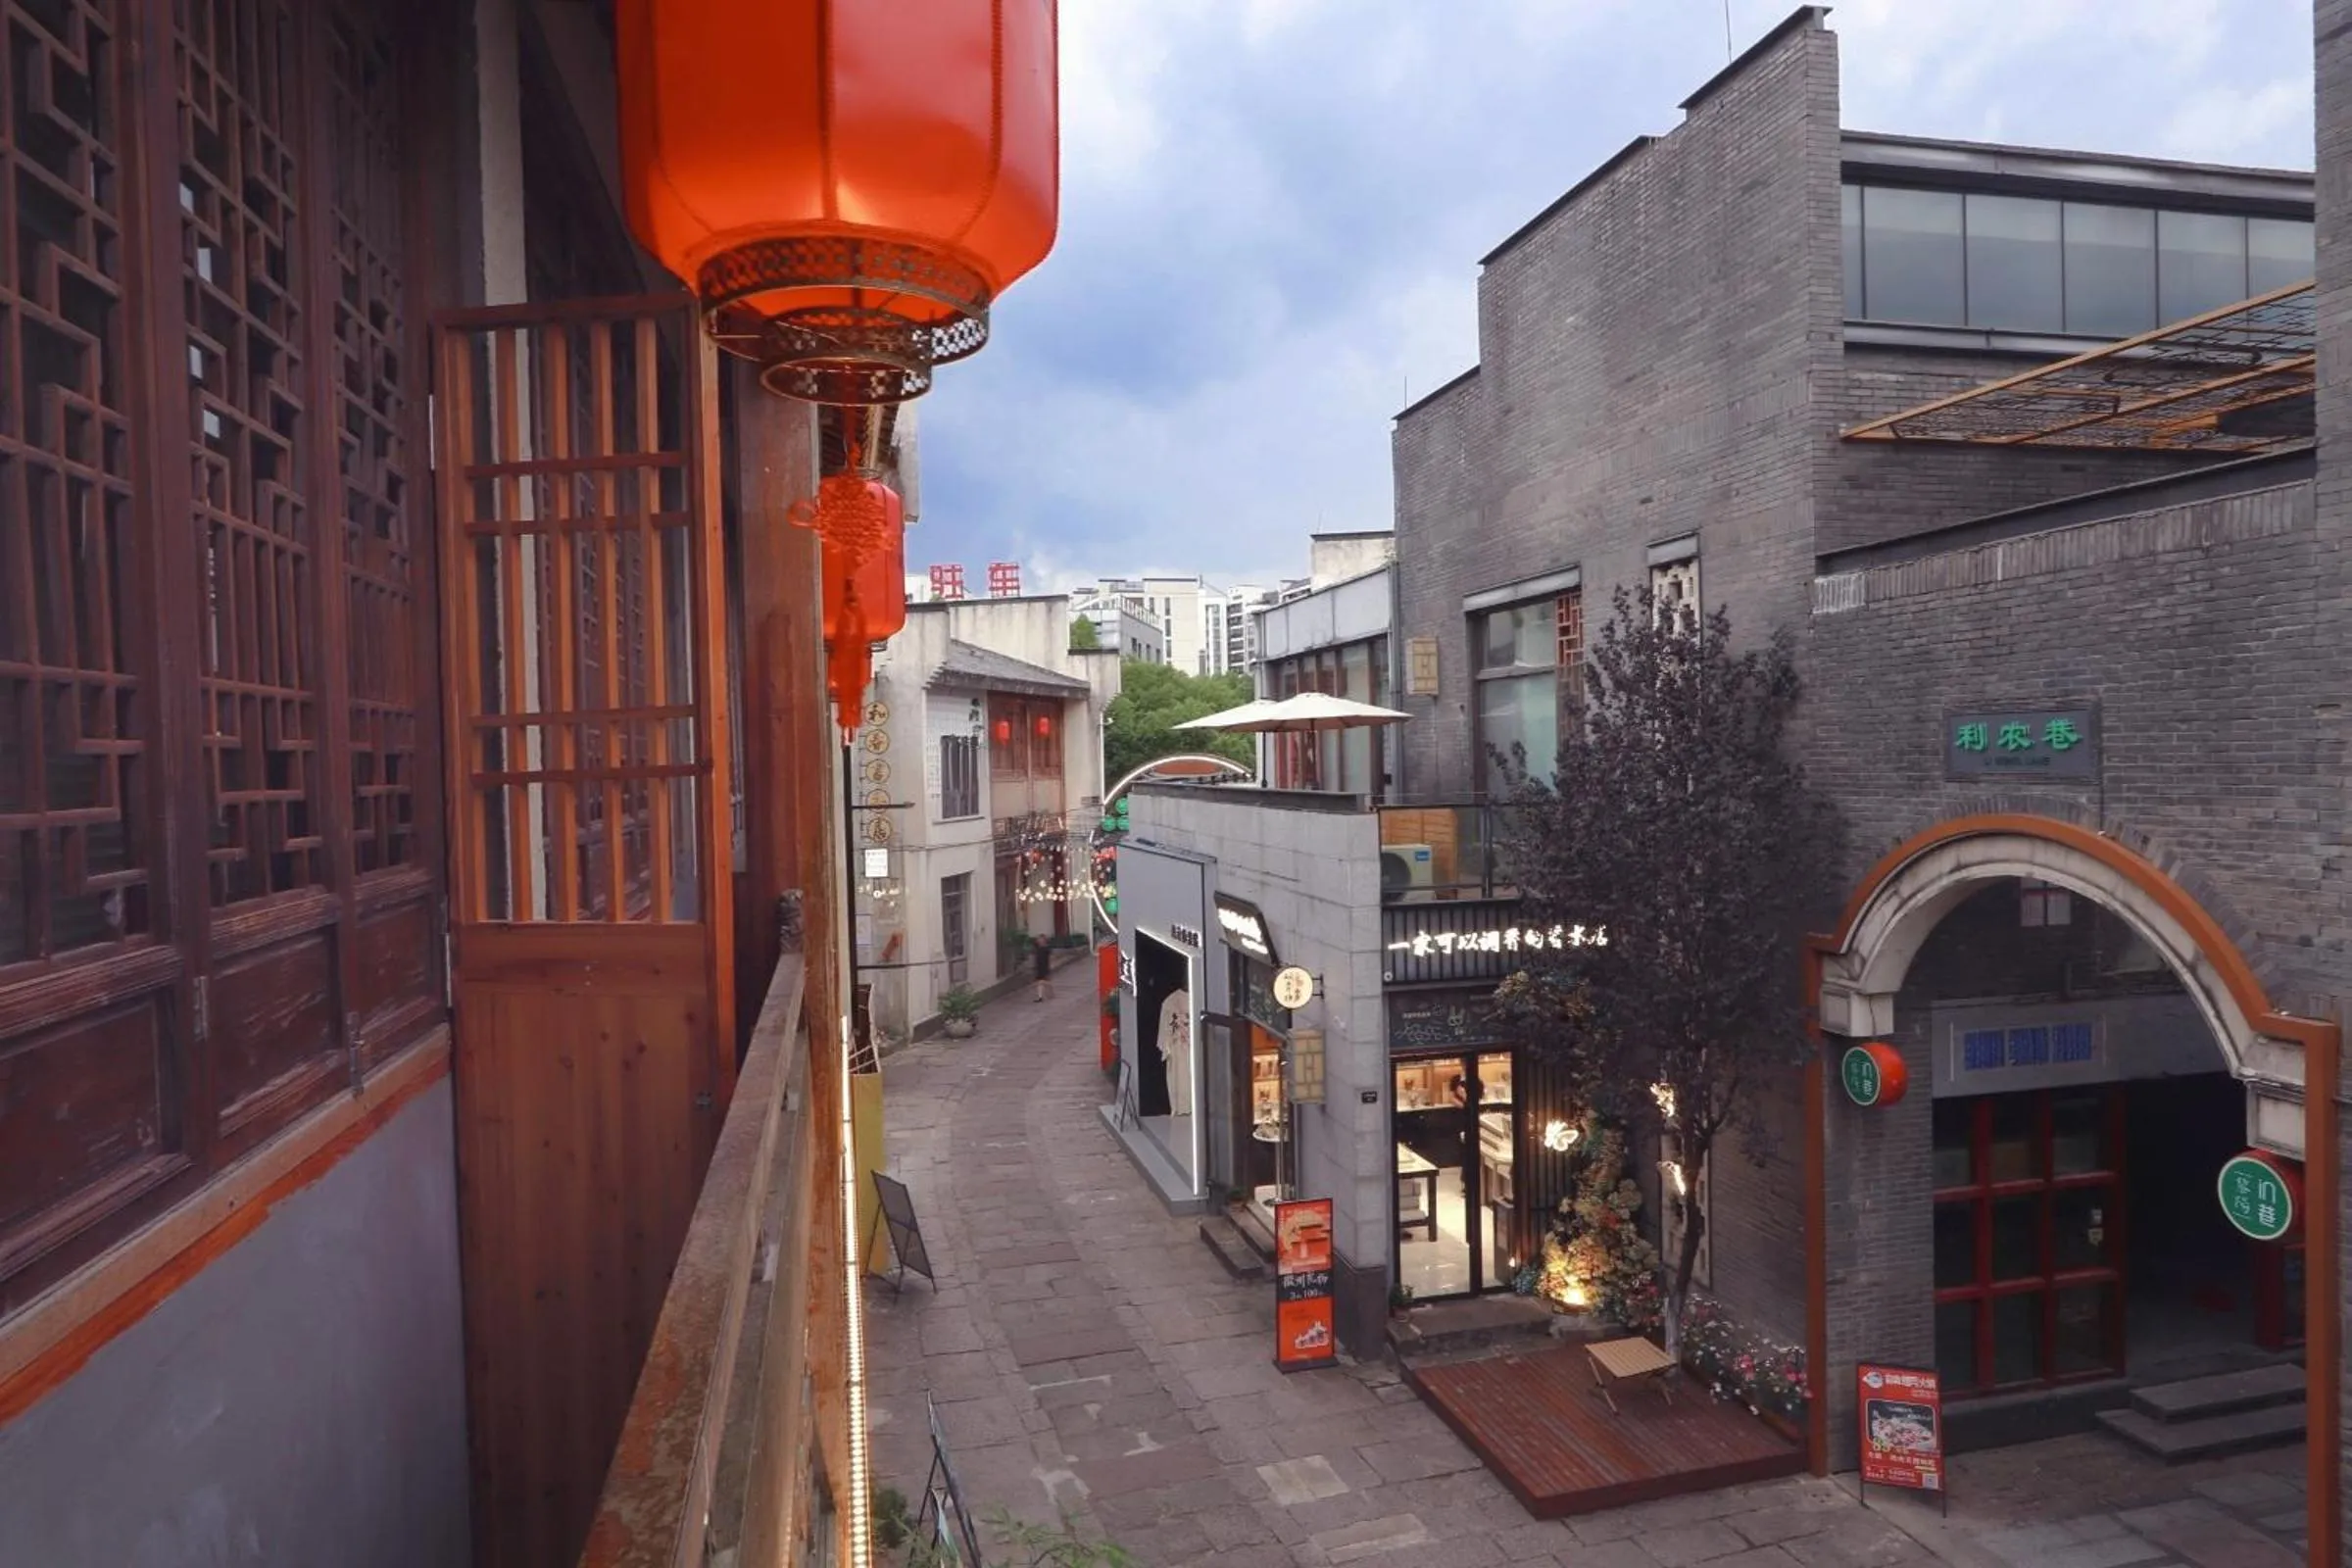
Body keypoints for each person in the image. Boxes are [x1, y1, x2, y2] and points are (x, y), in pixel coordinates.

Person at [1031, 933, 1054, 1002]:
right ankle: (1043, 995)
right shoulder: (1038, 949)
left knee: (1041, 982)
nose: (1039, 940)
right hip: (1039, 967)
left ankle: (1041, 996)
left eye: (1040, 939)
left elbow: (1048, 958)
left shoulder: (1045, 949)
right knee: (1042, 982)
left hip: (1044, 967)